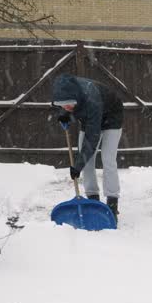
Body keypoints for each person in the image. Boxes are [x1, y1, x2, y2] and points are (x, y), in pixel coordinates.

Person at [51, 74, 124, 219]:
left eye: (69, 104)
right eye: (63, 105)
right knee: (87, 163)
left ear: (76, 98)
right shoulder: (65, 91)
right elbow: (66, 103)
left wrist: (77, 165)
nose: (66, 107)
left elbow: (92, 138)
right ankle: (92, 199)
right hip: (89, 118)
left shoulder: (92, 98)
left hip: (112, 117)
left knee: (108, 159)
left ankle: (112, 203)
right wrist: (65, 113)